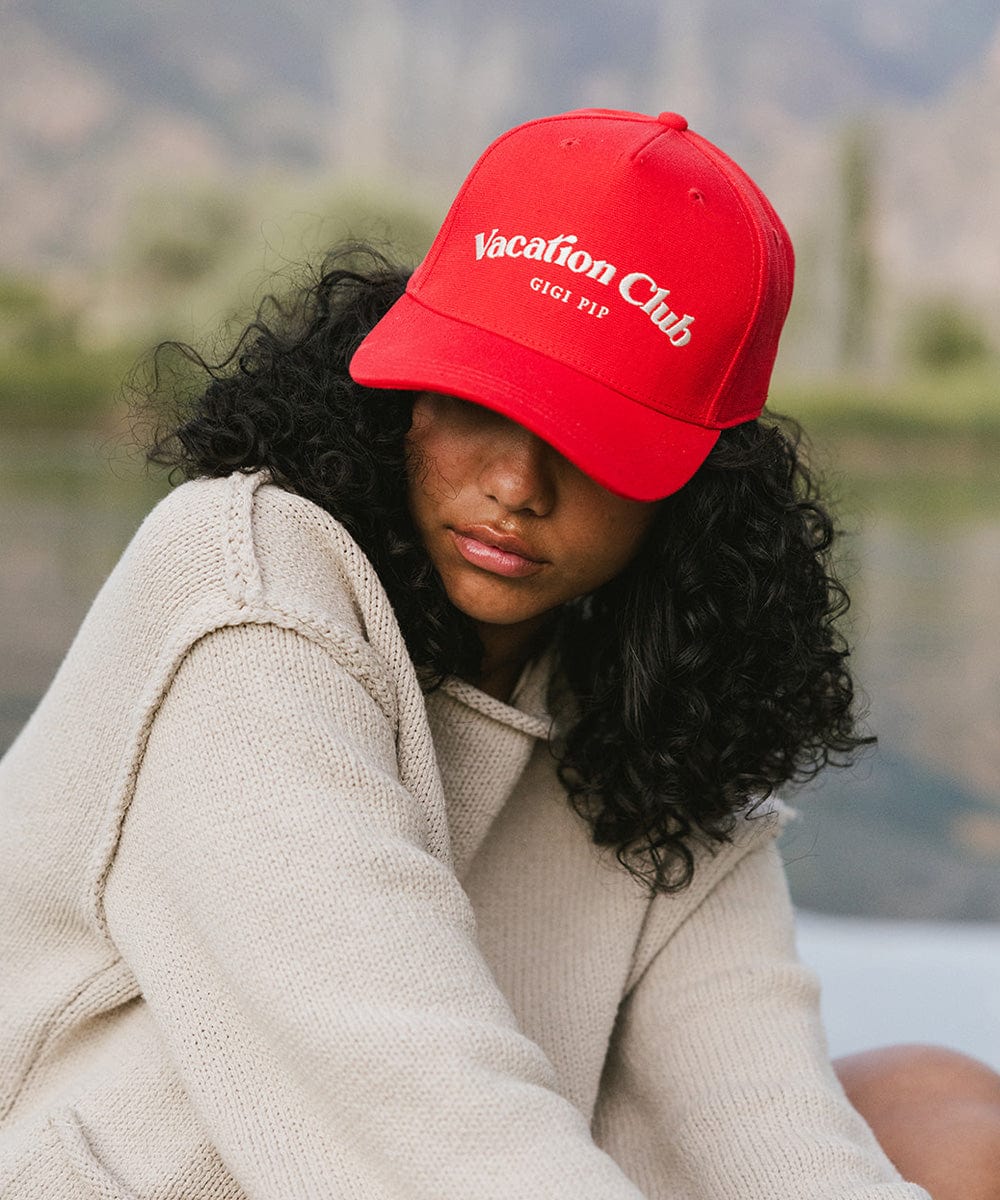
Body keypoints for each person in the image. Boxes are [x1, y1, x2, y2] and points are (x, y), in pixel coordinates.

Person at [1, 107, 997, 1200]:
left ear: (695, 489)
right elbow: (412, 1100)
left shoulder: (654, 733)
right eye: (481, 398)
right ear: (401, 384)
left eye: (594, 433)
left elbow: (772, 1125)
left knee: (945, 1119)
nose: (516, 485)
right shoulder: (247, 592)